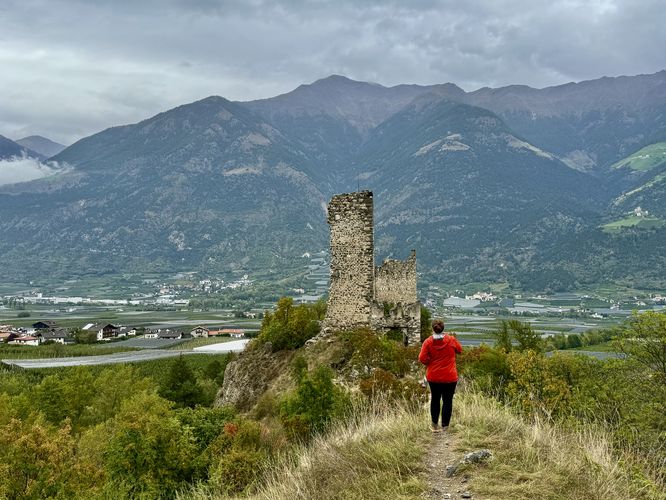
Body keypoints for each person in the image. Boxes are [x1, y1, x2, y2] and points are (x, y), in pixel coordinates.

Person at [418, 319, 462, 433]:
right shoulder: (451, 340)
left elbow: (422, 358)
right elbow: (460, 350)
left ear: (433, 329)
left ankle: (434, 425)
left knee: (435, 400)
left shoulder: (428, 342)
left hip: (434, 376)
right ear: (443, 328)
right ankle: (445, 427)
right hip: (450, 376)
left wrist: (430, 361)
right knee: (448, 401)